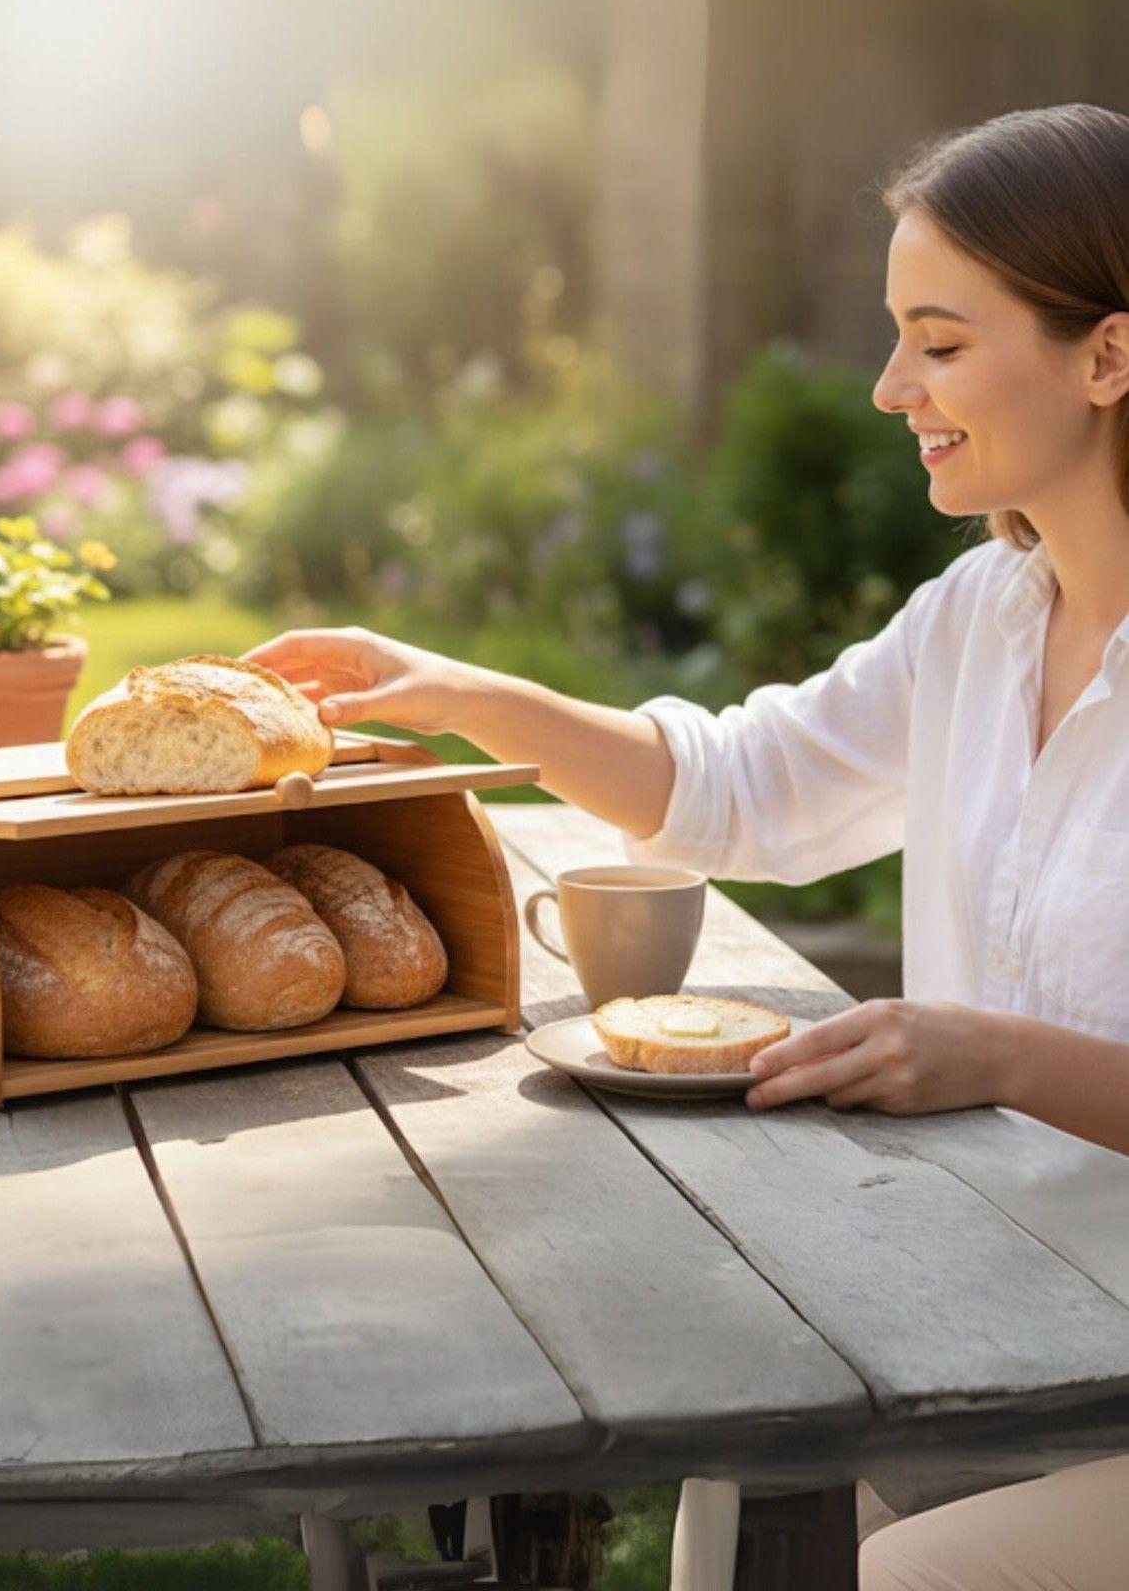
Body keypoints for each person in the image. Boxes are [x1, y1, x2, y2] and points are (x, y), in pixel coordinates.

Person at [246, 105, 1129, 1590]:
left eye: (939, 342)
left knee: (899, 1572)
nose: (889, 386)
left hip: (1092, 1359)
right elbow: (741, 788)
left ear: (1107, 357)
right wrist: (461, 694)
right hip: (996, 1313)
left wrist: (999, 1058)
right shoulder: (979, 622)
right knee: (731, 1484)